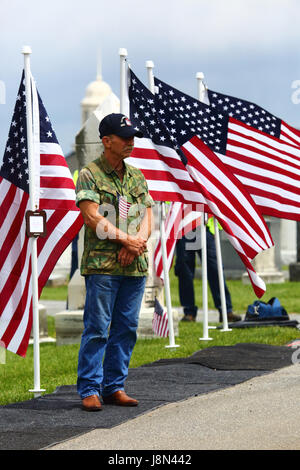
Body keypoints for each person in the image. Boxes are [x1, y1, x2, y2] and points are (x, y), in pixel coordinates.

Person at [75, 113, 154, 411]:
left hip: (134, 265)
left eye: (133, 136)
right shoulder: (89, 174)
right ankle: (90, 389)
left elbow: (148, 216)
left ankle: (114, 387)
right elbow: (92, 216)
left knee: (126, 328)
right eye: (125, 137)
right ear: (106, 141)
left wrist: (135, 245)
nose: (131, 142)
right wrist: (125, 240)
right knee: (97, 328)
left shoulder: (137, 175)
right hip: (102, 266)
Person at [175, 219, 241, 323]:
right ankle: (189, 312)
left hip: (206, 228)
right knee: (184, 272)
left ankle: (225, 311)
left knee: (215, 269)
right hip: (184, 228)